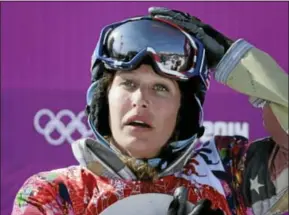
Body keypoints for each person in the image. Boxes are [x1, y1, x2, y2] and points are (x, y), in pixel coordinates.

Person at [12, 7, 288, 215]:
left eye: (160, 88)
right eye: (128, 83)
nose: (140, 100)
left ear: (184, 111)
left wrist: (238, 62)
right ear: (102, 100)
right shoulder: (55, 193)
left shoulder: (230, 171)